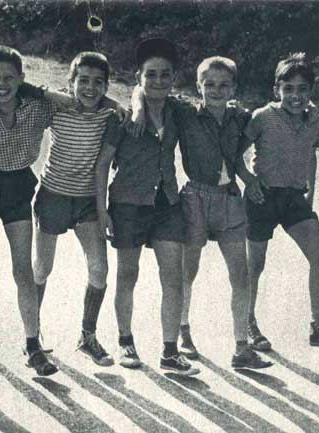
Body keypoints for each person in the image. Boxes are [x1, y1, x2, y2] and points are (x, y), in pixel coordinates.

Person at [131, 56, 273, 369]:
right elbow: (145, 90)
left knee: (240, 275)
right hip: (195, 198)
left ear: (233, 88)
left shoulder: (241, 117)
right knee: (188, 271)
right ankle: (183, 331)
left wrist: (310, 111)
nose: (216, 90)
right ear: (199, 86)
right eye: (209, 84)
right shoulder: (186, 112)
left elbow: (271, 117)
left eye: (224, 85)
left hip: (229, 200)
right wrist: (138, 108)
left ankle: (241, 348)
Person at [95, 38, 199, 375]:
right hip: (128, 203)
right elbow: (102, 165)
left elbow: (212, 106)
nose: (158, 80)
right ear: (138, 77)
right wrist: (102, 211)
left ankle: (170, 352)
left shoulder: (177, 111)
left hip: (167, 202)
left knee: (173, 277)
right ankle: (125, 341)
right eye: (150, 74)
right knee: (128, 274)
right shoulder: (124, 117)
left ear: (174, 78)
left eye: (165, 74)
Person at [0, 46, 60, 376]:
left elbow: (75, 101)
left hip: (18, 186)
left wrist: (117, 106)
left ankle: (32, 345)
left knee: (23, 270)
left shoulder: (37, 107)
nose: (1, 84)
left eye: (9, 77)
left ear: (22, 79)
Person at [244, 52, 319, 350]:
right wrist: (249, 181)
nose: (295, 96)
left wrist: (311, 191)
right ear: (276, 89)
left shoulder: (316, 122)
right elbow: (237, 150)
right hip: (262, 196)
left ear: (311, 91)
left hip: (293, 197)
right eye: (288, 88)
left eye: (302, 89)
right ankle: (247, 323)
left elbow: (311, 153)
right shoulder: (262, 117)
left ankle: (318, 325)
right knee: (255, 264)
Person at [33, 52, 116, 366]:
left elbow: (128, 108)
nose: (90, 88)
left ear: (106, 86)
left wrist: (103, 209)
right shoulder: (57, 106)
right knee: (42, 267)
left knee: (99, 269)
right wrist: (49, 94)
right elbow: (24, 94)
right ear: (70, 83)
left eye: (98, 82)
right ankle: (32, 335)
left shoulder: (109, 114)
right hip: (53, 195)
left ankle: (88, 336)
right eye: (83, 80)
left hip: (87, 201)